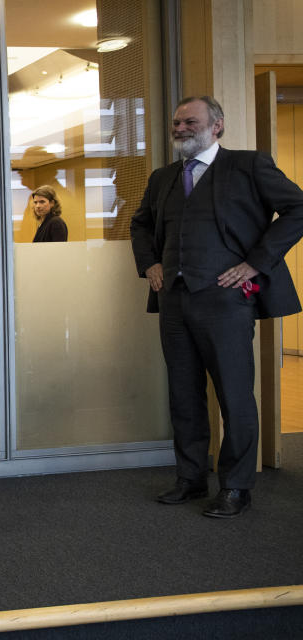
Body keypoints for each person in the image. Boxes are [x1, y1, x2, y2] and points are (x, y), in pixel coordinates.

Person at [130, 95, 303, 518]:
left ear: (217, 126)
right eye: (176, 122)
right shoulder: (163, 177)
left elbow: (299, 209)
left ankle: (237, 487)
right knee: (184, 395)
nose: (181, 128)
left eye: (190, 121)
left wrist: (255, 263)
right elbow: (140, 223)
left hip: (226, 302)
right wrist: (150, 263)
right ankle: (190, 479)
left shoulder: (248, 166)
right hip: (175, 301)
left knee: (235, 395)